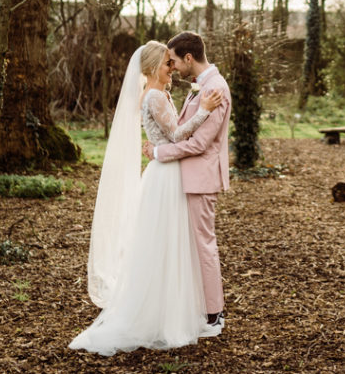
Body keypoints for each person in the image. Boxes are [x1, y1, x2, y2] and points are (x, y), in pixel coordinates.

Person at [70, 41, 223, 356]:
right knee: (163, 242)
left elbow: (171, 131)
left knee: (169, 243)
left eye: (172, 62)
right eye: (168, 64)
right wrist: (204, 111)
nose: (173, 69)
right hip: (165, 175)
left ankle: (170, 305)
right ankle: (159, 312)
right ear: (156, 67)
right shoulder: (153, 96)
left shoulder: (160, 94)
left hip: (166, 171)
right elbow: (178, 135)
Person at [142, 31, 231, 333]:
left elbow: (200, 144)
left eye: (175, 61)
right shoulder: (201, 87)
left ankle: (214, 313)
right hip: (186, 176)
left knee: (203, 245)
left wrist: (158, 152)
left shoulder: (216, 88)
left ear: (189, 58)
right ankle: (197, 307)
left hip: (200, 177)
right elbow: (182, 129)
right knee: (189, 246)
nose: (174, 67)